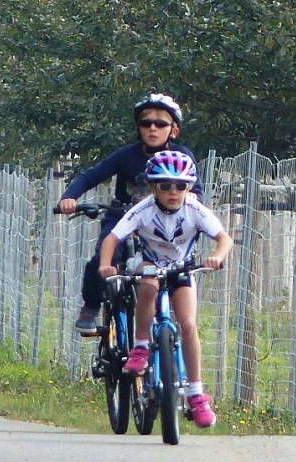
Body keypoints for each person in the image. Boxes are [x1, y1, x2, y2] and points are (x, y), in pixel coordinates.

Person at [98, 151, 233, 428]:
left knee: (187, 323)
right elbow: (112, 238)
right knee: (147, 284)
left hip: (181, 268)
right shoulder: (143, 210)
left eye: (181, 186)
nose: (173, 192)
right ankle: (140, 347)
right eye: (165, 186)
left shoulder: (194, 209)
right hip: (149, 264)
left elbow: (223, 239)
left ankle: (196, 394)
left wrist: (217, 256)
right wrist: (105, 265)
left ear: (189, 187)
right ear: (152, 187)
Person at [57, 93, 204, 334]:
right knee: (104, 253)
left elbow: (195, 187)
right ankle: (92, 305)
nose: (153, 129)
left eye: (160, 124)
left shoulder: (182, 156)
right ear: (138, 129)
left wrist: (194, 197)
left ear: (173, 131)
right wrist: (69, 198)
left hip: (163, 221)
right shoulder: (126, 155)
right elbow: (91, 175)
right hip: (124, 216)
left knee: (175, 265)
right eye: (146, 124)